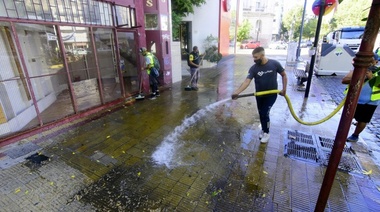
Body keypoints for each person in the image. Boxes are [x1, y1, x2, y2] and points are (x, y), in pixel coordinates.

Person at [231, 47, 288, 143]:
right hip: (259, 95)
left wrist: (284, 89)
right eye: (253, 57)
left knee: (265, 112)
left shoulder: (274, 64)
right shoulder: (254, 68)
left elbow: (284, 75)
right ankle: (263, 129)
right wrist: (237, 92)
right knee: (261, 113)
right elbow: (246, 81)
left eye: (256, 57)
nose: (254, 60)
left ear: (262, 55)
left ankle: (267, 132)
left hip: (271, 95)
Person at [342, 56, 380, 142]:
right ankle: (342, 133)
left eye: (371, 61)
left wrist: (371, 78)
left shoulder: (378, 72)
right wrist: (359, 78)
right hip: (354, 99)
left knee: (363, 120)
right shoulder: (357, 69)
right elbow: (344, 80)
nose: (369, 63)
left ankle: (355, 135)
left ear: (376, 62)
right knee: (347, 117)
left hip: (370, 102)